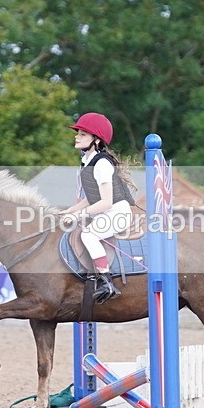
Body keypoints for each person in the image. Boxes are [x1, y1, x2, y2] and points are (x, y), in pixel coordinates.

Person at [59, 112, 135, 304]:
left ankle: (106, 281)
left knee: (88, 235)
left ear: (96, 140)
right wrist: (70, 210)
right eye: (78, 132)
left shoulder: (101, 163)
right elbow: (92, 198)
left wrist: (78, 216)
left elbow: (106, 202)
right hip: (107, 211)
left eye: (83, 134)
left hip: (117, 212)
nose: (77, 136)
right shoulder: (88, 161)